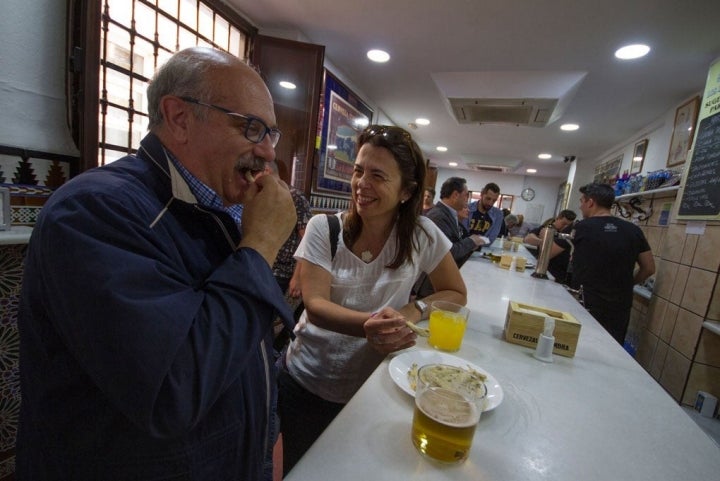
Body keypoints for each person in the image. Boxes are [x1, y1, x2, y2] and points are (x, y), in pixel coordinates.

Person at [16, 47, 297, 480]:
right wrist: (260, 244)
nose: (266, 152)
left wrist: (265, 445)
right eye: (252, 128)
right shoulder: (93, 211)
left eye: (270, 134)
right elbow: (174, 387)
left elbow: (242, 351)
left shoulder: (221, 210)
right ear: (179, 117)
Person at [278, 125, 467, 475]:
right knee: (301, 468)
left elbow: (456, 293)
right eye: (358, 170)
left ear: (407, 191)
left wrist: (413, 309)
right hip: (306, 379)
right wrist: (370, 326)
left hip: (372, 386)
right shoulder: (325, 228)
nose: (361, 184)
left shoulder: (422, 234)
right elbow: (316, 306)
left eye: (378, 175)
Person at [569, 183, 655, 345]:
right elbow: (649, 268)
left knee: (580, 346)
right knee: (611, 349)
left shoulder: (583, 227)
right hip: (620, 305)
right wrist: (629, 283)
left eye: (582, 201)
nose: (580, 206)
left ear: (591, 202)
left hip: (587, 300)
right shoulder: (633, 230)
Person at [523, 209, 577, 284]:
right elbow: (528, 238)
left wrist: (545, 243)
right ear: (558, 218)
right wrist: (543, 241)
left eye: (568, 225)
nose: (565, 227)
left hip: (558, 274)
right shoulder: (547, 229)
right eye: (563, 223)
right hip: (542, 269)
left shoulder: (567, 236)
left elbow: (549, 254)